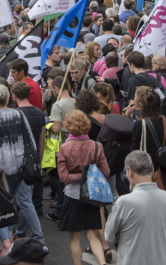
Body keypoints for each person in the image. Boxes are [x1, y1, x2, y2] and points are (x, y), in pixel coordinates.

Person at [0, 84, 44, 244]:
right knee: (26, 202)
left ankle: (7, 242)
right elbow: (30, 140)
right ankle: (38, 238)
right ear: (9, 97)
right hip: (21, 164)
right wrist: (36, 162)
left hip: (0, 168)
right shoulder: (19, 114)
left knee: (3, 204)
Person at [56, 110, 110, 265]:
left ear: (69, 127)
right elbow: (106, 171)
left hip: (73, 195)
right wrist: (89, 174)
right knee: (92, 235)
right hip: (92, 195)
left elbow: (64, 177)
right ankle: (102, 263)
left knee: (74, 237)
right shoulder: (96, 146)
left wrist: (79, 175)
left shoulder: (65, 148)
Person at [105, 151, 166, 265]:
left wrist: (121, 234)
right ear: (152, 171)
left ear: (130, 171)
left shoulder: (124, 202)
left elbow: (109, 236)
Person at [130, 88, 166, 192]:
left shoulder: (140, 125)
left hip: (144, 175)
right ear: (160, 105)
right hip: (165, 175)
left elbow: (134, 151)